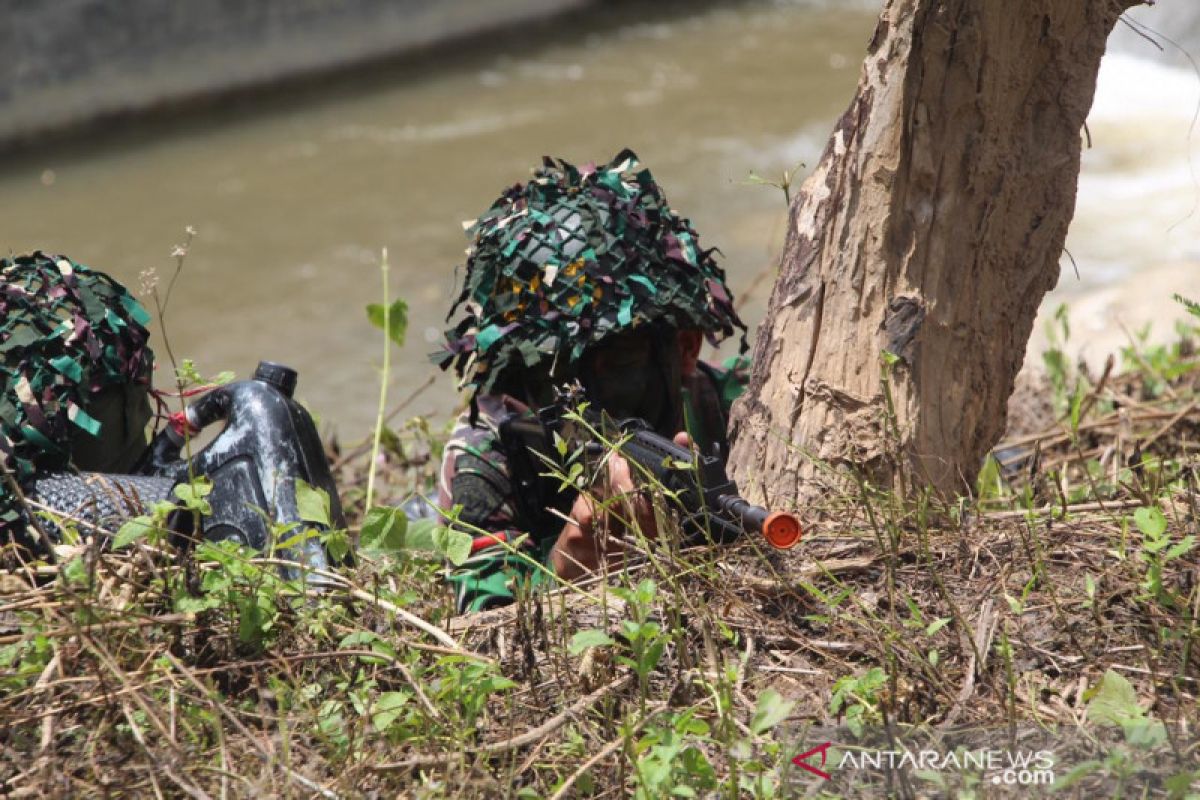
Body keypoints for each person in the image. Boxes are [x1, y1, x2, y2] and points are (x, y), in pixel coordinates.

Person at [434, 149, 750, 613]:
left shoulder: (734, 405)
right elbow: (481, 613)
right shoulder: (490, 456)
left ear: (685, 347)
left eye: (616, 361)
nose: (579, 398)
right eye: (552, 367)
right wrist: (571, 557)